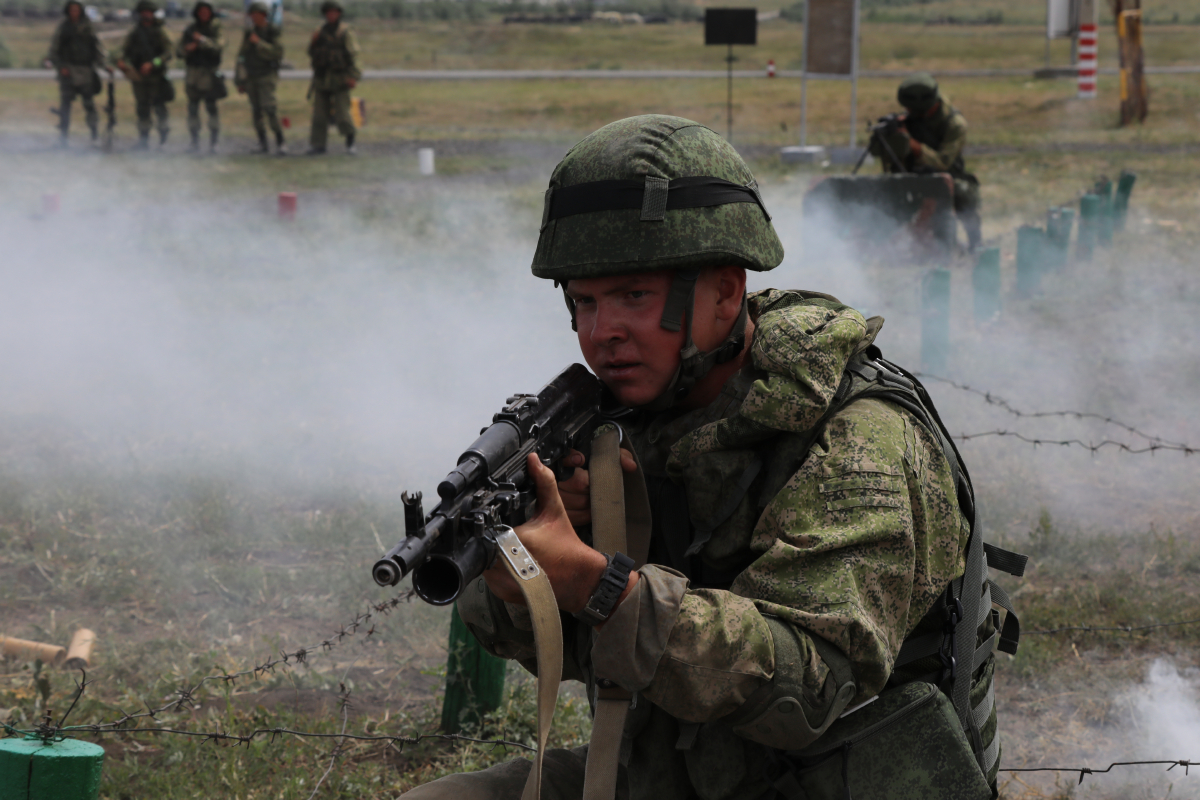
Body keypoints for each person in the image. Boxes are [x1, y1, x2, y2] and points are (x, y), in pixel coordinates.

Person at [401, 115, 1021, 800]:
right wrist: (525, 575)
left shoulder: (859, 439)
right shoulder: (640, 414)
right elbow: (576, 652)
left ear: (727, 291)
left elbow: (806, 686)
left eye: (634, 296)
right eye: (583, 302)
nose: (603, 333)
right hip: (685, 774)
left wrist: (598, 585)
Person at [871, 72, 983, 252]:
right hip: (910, 177)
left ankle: (974, 242)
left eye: (914, 111)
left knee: (963, 193)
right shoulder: (908, 120)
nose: (910, 113)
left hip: (948, 179)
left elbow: (942, 162)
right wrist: (887, 137)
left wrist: (911, 143)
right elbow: (876, 154)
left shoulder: (954, 124)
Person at [47, 0, 109, 147]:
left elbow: (97, 49)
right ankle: (63, 138)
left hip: (86, 71)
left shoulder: (89, 28)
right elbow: (54, 51)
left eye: (76, 10)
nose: (74, 12)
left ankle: (94, 136)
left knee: (89, 104)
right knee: (65, 106)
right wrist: (61, 66)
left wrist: (104, 66)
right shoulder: (64, 28)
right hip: (68, 71)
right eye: (71, 10)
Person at [115, 0, 174, 149]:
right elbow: (124, 48)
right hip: (139, 77)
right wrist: (121, 60)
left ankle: (163, 140)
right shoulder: (135, 32)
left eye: (148, 12)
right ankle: (143, 140)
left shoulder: (160, 31)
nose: (146, 14)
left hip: (157, 77)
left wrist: (154, 63)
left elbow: (168, 53)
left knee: (160, 108)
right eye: (143, 12)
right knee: (142, 108)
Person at [306, 0, 360, 155]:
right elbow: (311, 53)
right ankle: (318, 145)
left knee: (343, 114)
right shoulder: (320, 31)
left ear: (339, 13)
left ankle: (350, 143)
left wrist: (353, 76)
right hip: (322, 78)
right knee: (319, 115)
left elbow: (354, 56)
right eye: (328, 12)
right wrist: (313, 41)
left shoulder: (345, 32)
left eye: (334, 12)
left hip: (340, 79)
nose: (331, 15)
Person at [235, 1, 286, 155]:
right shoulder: (249, 32)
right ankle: (262, 143)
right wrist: (240, 80)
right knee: (256, 110)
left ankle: (280, 142)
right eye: (252, 15)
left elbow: (277, 52)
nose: (254, 17)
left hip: (266, 75)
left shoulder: (272, 31)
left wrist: (259, 44)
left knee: (270, 108)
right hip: (251, 76)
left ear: (264, 15)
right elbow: (242, 56)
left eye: (257, 14)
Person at [177, 0, 224, 153]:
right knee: (192, 109)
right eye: (201, 11)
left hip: (209, 74)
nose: (204, 14)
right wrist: (188, 48)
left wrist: (202, 41)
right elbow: (178, 51)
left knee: (211, 108)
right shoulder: (190, 29)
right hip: (193, 73)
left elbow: (219, 46)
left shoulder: (216, 28)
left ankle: (214, 143)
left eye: (207, 11)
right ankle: (194, 142)